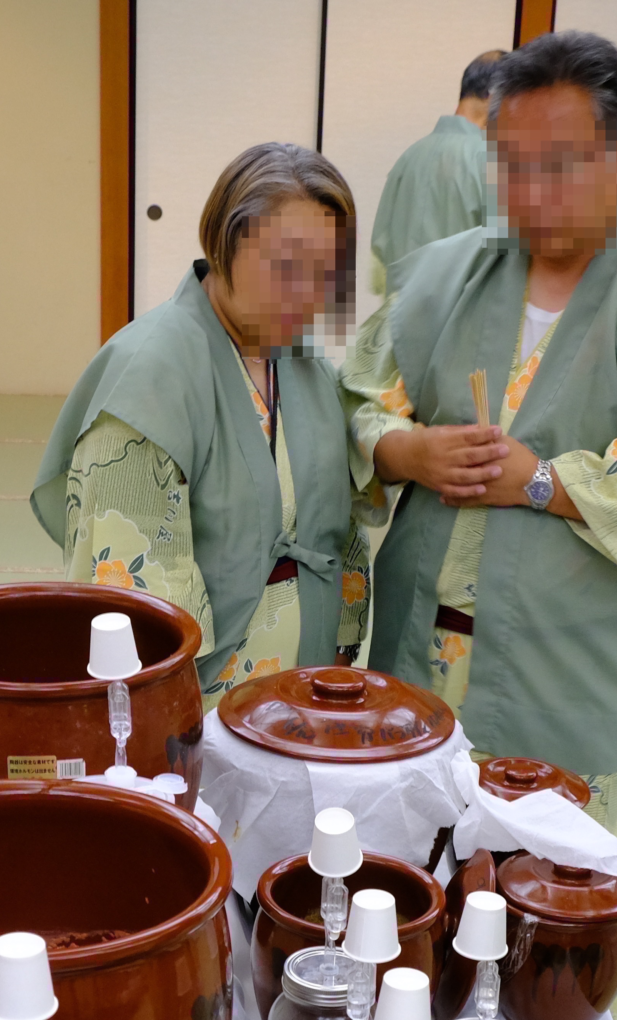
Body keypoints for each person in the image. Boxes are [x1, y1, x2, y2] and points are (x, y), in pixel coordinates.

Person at [342, 32, 617, 819]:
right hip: (418, 649)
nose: (533, 192)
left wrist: (542, 481)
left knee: (545, 892)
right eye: (512, 164)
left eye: (561, 162)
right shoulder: (439, 276)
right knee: (406, 877)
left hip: (566, 664)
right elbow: (359, 395)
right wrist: (406, 449)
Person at [34, 142, 371, 697]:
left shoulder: (305, 366)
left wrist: (341, 647)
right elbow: (132, 577)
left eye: (324, 272)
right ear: (222, 245)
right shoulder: (150, 374)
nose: (306, 295)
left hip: (307, 692)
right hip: (204, 704)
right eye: (285, 267)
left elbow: (342, 528)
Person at [367, 49, 510, 295]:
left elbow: (378, 264)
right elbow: (508, 267)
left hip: (398, 322)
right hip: (460, 324)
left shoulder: (409, 156)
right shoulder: (492, 163)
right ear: (494, 96)